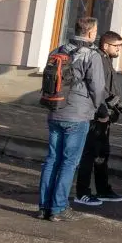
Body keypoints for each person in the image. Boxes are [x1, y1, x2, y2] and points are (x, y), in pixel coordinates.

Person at [38, 17, 105, 222]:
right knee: (69, 162)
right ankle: (58, 208)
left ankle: (43, 207)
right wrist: (97, 108)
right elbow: (98, 88)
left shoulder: (58, 50)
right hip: (77, 114)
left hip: (55, 109)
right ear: (91, 32)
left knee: (52, 160)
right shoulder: (92, 55)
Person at [72, 30, 122, 207]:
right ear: (105, 45)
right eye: (116, 46)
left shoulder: (106, 59)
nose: (119, 49)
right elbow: (98, 89)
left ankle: (103, 189)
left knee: (102, 154)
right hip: (96, 116)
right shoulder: (98, 59)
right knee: (89, 154)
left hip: (106, 115)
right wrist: (103, 113)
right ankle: (83, 192)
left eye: (120, 46)